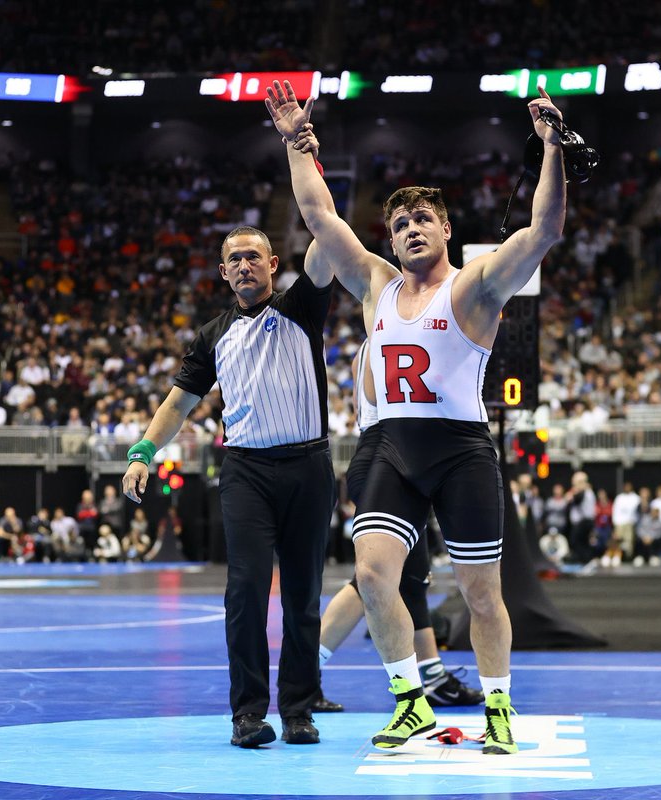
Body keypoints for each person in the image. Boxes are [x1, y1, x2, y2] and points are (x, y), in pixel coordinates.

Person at [266, 79, 567, 753]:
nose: (408, 230)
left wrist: (551, 147)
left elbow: (545, 230)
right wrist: (294, 143)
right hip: (388, 445)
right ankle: (411, 703)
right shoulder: (376, 281)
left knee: (483, 596)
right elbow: (319, 217)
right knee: (373, 578)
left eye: (421, 220)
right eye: (399, 224)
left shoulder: (476, 285)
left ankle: (499, 709)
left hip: (459, 448)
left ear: (446, 228)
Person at [121, 220, 336, 749]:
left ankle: (299, 710)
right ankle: (248, 714)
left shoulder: (302, 308)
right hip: (245, 472)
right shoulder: (213, 336)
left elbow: (327, 239)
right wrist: (143, 452)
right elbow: (178, 403)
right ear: (223, 271)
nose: (244, 265)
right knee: (245, 592)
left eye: (254, 257)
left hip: (308, 466)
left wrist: (305, 156)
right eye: (235, 258)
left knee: (304, 596)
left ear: (272, 266)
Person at [314, 341, 482, 714]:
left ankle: (432, 675)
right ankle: (305, 671)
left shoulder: (373, 344)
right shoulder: (387, 341)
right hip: (389, 459)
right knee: (373, 579)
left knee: (412, 579)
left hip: (386, 457)